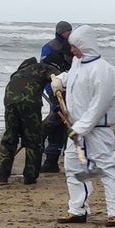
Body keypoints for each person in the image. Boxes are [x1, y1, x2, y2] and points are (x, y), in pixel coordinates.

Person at [55, 25, 115, 226]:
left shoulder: (104, 71)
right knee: (74, 167)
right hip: (76, 128)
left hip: (96, 131)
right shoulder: (78, 64)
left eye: (75, 46)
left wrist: (79, 129)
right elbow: (73, 78)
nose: (72, 51)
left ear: (84, 45)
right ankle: (77, 210)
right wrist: (60, 80)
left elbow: (98, 106)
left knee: (106, 168)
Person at [0, 55, 51, 183]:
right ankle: (30, 177)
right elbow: (61, 80)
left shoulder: (16, 74)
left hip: (10, 103)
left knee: (9, 139)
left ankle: (2, 177)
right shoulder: (43, 68)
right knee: (33, 141)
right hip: (30, 104)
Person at [38, 21, 73, 172]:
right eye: (67, 31)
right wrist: (52, 92)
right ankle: (51, 161)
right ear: (60, 32)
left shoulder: (74, 46)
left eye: (71, 31)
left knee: (70, 124)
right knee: (55, 123)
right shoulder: (50, 47)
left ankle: (70, 160)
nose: (69, 34)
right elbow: (43, 71)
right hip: (55, 90)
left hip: (73, 91)